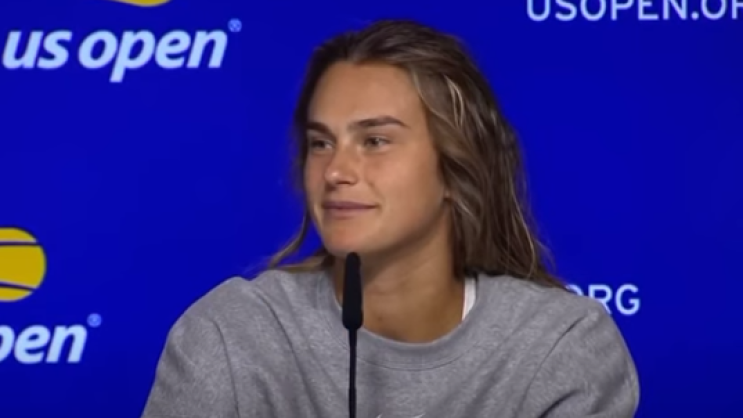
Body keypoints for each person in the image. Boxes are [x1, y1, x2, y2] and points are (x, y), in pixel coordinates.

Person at [140, 19, 639, 418]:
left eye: (375, 141)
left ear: (456, 166)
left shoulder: (560, 346)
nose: (335, 171)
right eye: (321, 143)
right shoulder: (233, 334)